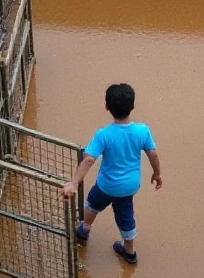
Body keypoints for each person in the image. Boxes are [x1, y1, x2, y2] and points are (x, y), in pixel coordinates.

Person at [59, 83, 161, 264]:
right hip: (130, 186)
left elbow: (89, 159)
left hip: (106, 185)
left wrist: (74, 183)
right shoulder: (142, 130)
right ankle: (130, 251)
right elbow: (153, 154)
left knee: (92, 203)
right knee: (125, 214)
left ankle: (84, 229)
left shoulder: (103, 134)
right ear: (133, 106)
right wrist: (157, 174)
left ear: (107, 107)